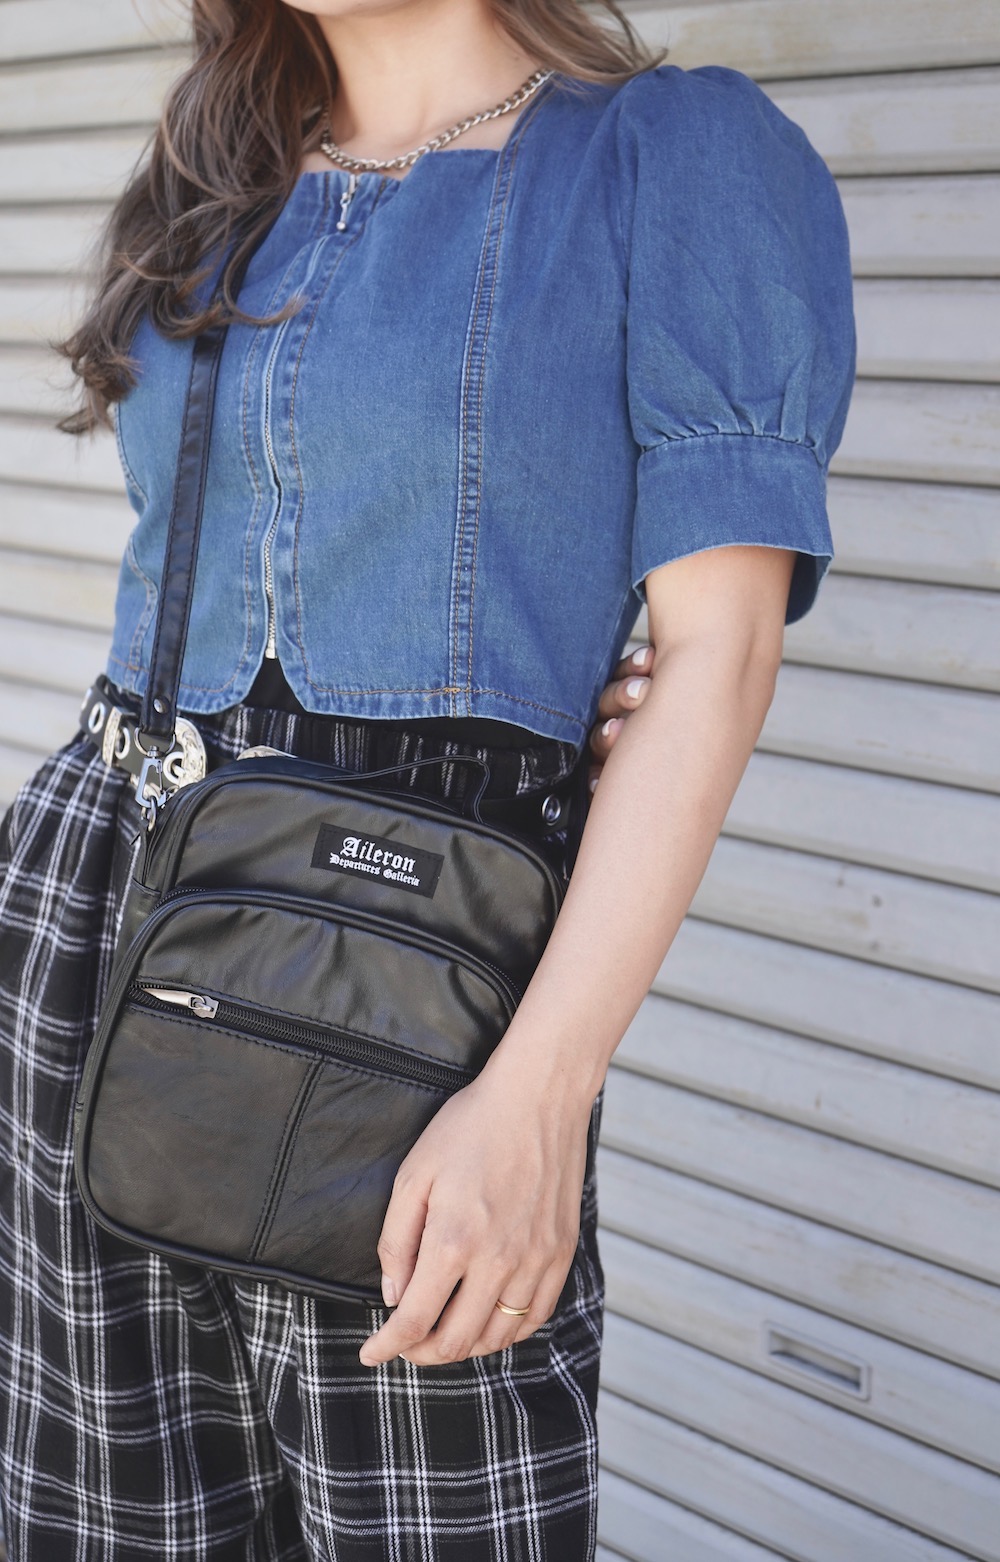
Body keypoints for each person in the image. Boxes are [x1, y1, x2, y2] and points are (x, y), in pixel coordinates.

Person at [0, 0, 855, 1556]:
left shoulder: (673, 159)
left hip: (413, 968)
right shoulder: (224, 162)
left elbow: (717, 657)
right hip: (96, 905)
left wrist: (539, 1092)